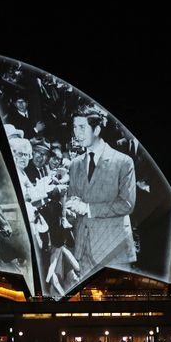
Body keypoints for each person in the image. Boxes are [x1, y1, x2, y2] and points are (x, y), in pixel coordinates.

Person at [65, 105, 137, 271]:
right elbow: (73, 196)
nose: (77, 133)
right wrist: (71, 205)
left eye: (82, 127)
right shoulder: (75, 164)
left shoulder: (123, 162)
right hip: (83, 248)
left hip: (113, 247)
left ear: (96, 129)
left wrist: (87, 208)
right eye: (75, 127)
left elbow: (127, 204)